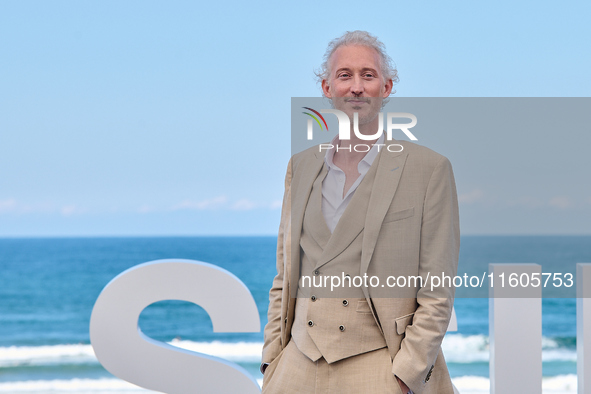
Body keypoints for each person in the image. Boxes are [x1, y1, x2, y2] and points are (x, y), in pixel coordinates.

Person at [261, 30, 460, 394]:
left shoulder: (429, 169)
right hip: (296, 365)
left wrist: (406, 373)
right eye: (344, 75)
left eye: (368, 75)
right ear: (326, 88)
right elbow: (284, 273)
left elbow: (438, 288)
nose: (356, 87)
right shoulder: (300, 166)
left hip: (380, 365)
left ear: (386, 88)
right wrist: (272, 359)